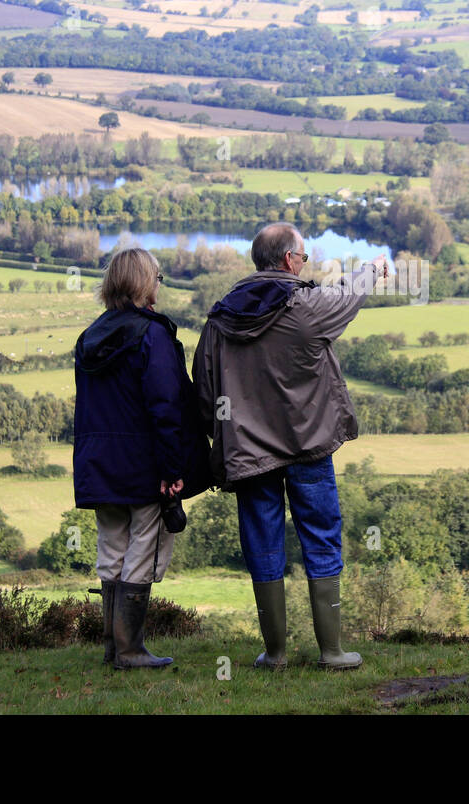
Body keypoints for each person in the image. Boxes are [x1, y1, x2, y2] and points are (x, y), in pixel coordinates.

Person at [193, 222, 387, 671]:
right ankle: (332, 651)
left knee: (262, 544)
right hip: (309, 446)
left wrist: (225, 434)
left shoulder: (220, 319)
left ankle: (275, 653)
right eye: (302, 258)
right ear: (288, 260)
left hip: (248, 454)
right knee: (321, 537)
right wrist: (375, 269)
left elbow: (203, 394)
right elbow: (350, 294)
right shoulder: (305, 307)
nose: (305, 265)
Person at [73, 246, 210, 670]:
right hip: (144, 463)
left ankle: (114, 650)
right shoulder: (152, 335)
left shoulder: (89, 337)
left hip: (98, 463)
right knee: (142, 550)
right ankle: (130, 650)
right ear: (144, 283)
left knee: (111, 548)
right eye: (157, 278)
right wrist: (173, 471)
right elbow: (166, 408)